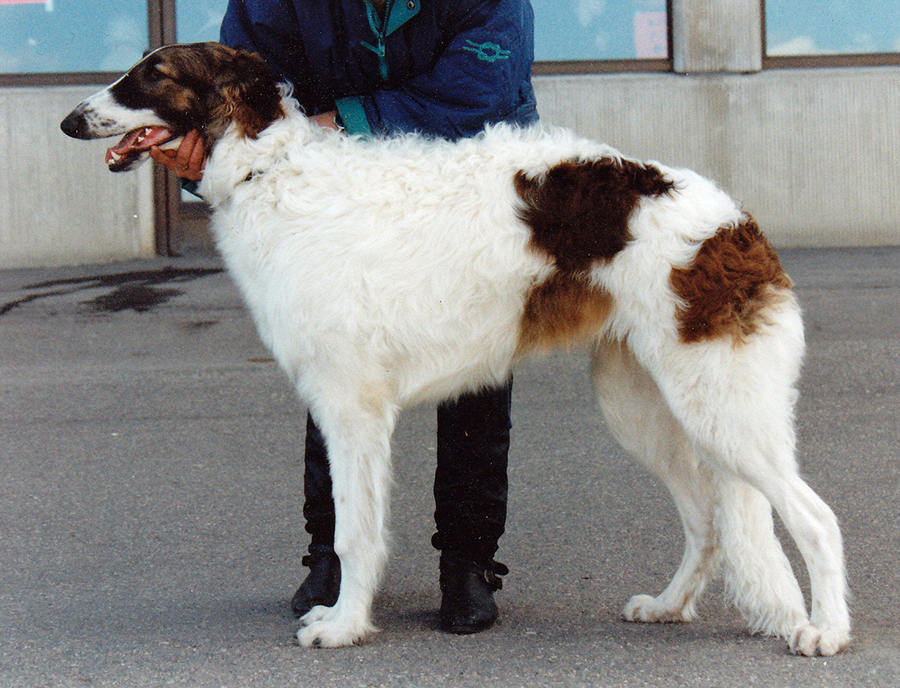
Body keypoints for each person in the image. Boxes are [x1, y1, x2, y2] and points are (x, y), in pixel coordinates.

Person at [150, 0, 538, 634]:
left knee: (476, 371)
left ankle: (469, 560)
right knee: (335, 360)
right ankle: (330, 552)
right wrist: (204, 158)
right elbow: (241, 97)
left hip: (473, 173)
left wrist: (344, 121)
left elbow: (479, 87)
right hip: (340, 178)